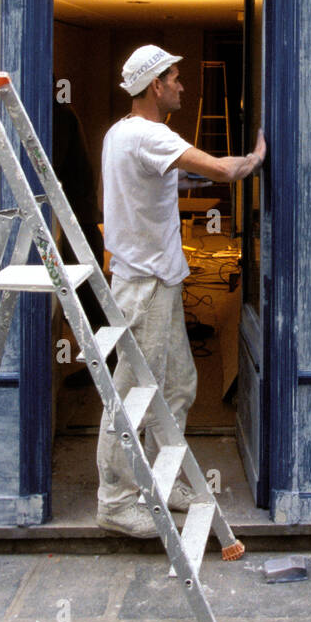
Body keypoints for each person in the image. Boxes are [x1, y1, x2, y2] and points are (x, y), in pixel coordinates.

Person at [96, 44, 266, 538]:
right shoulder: (150, 134)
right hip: (143, 286)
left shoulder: (120, 133)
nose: (182, 86)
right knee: (130, 396)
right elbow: (221, 170)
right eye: (175, 78)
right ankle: (116, 500)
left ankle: (160, 481)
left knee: (177, 387)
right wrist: (255, 154)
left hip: (157, 281)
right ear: (155, 85)